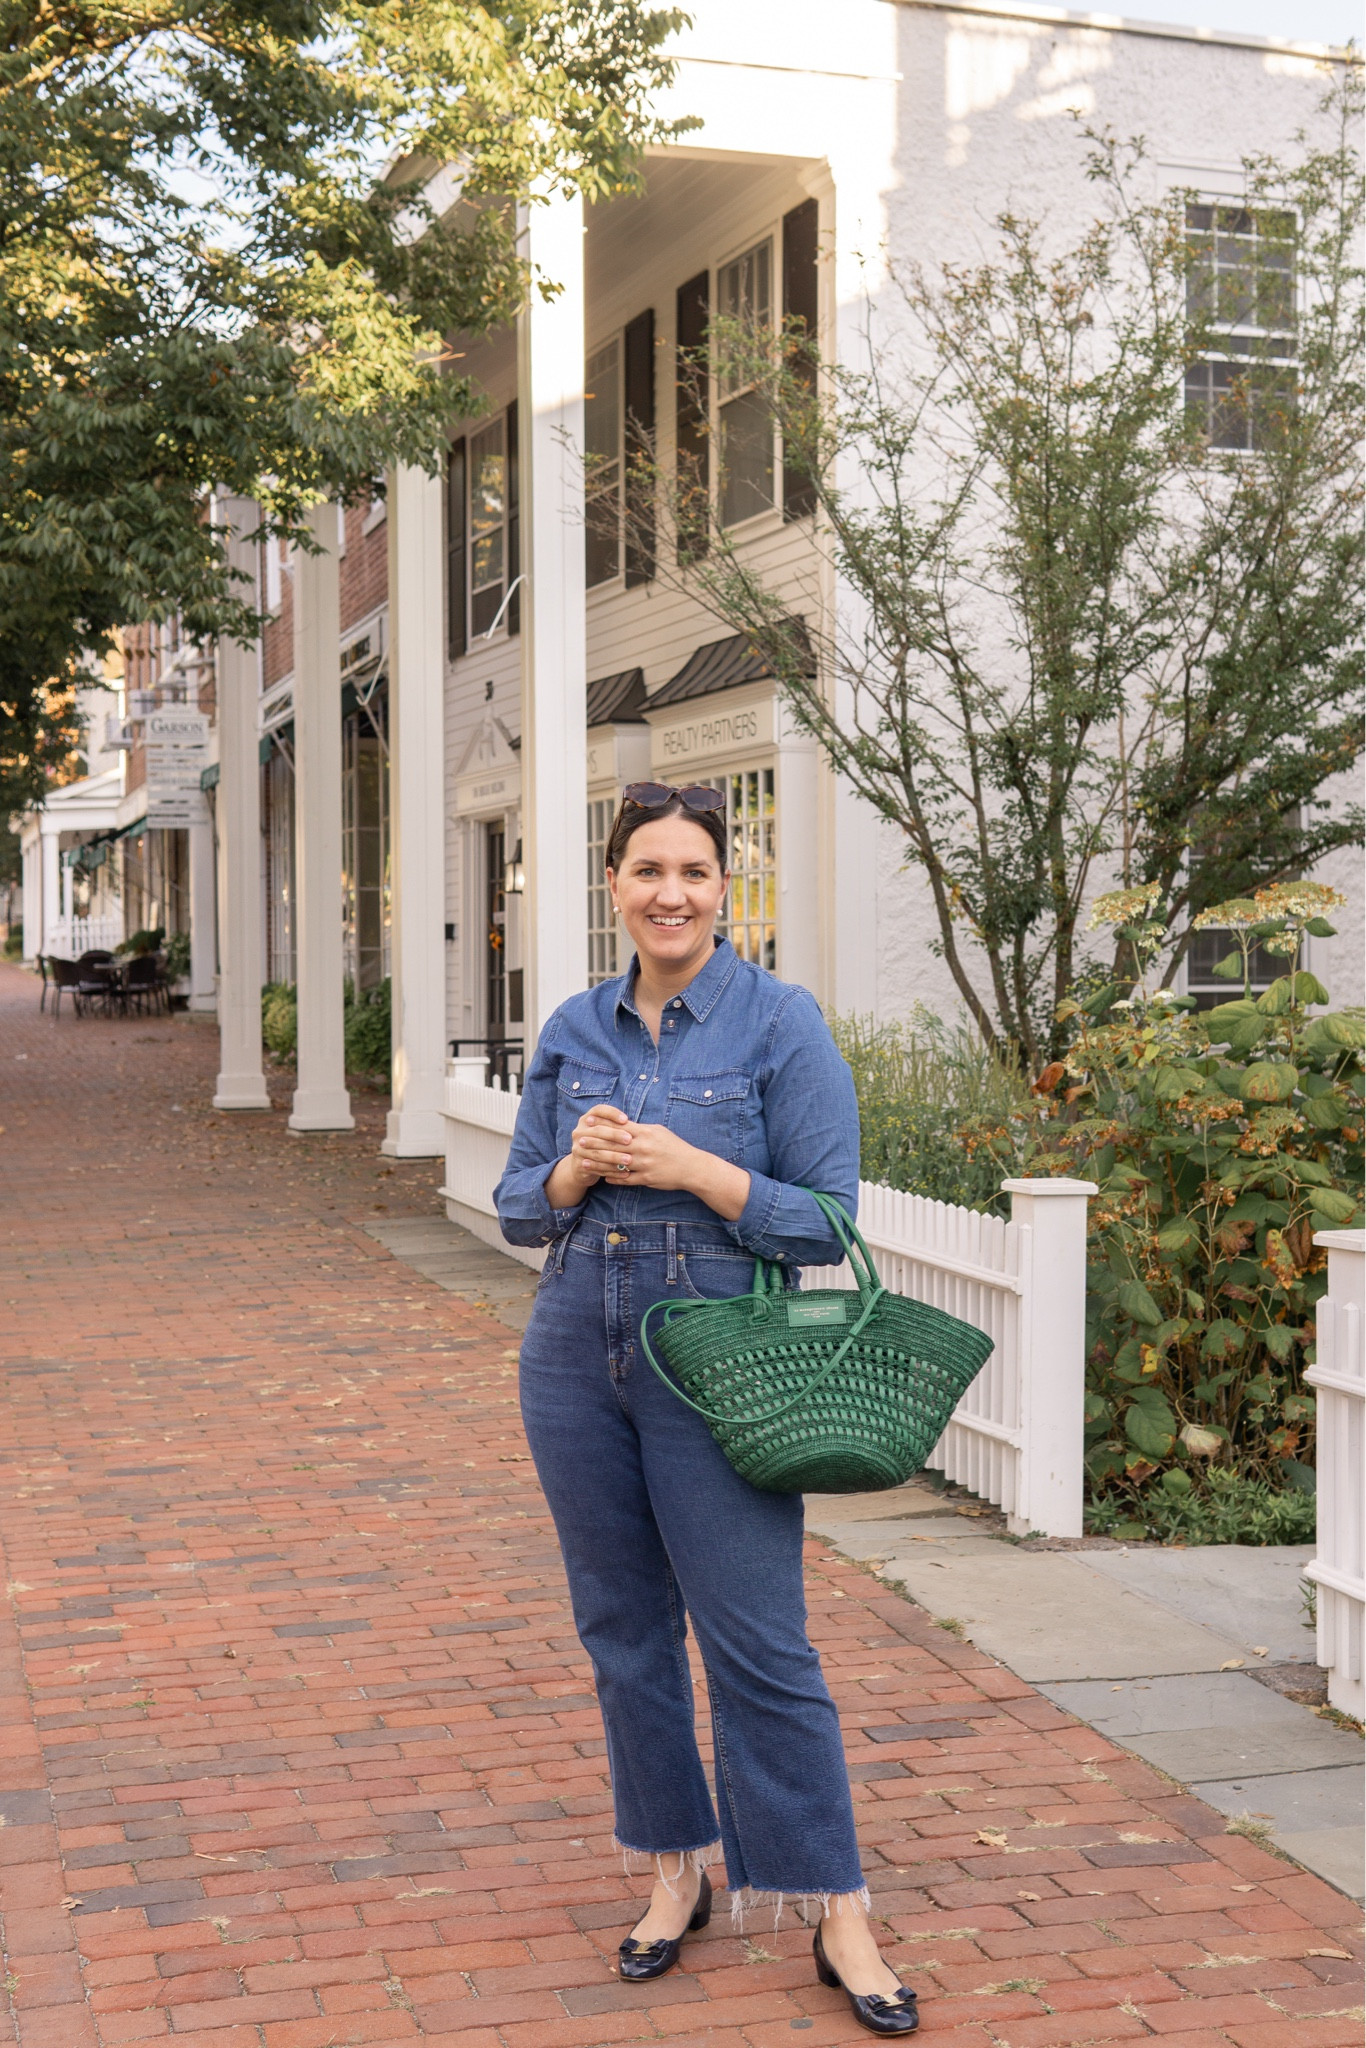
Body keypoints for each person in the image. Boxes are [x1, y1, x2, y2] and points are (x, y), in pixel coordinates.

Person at [494, 782, 920, 2036]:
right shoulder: (574, 1026)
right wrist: (576, 1164)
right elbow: (524, 1202)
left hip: (719, 1346)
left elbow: (831, 1218)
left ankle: (835, 1905)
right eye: (643, 871)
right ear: (612, 885)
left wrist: (694, 1168)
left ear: (723, 885)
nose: (667, 892)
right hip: (575, 1343)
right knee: (622, 1626)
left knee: (758, 1641)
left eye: (691, 869)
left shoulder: (781, 1022)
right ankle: (673, 1867)